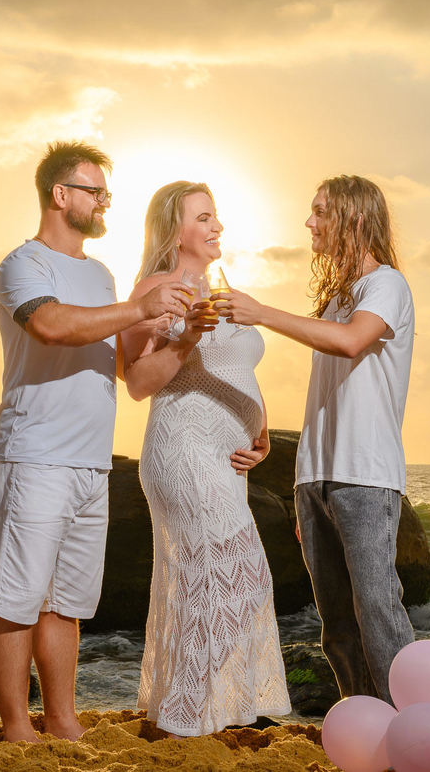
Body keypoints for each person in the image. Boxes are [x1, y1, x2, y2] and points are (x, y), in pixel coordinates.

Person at [0, 142, 192, 742]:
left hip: (90, 462)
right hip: (34, 453)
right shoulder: (22, 264)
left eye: (106, 192)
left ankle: (64, 720)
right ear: (60, 194)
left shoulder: (101, 276)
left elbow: (125, 371)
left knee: (67, 603)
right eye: (95, 190)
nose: (105, 202)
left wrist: (160, 330)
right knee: (19, 598)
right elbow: (51, 325)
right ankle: (16, 730)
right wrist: (136, 308)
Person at [217, 175, 416, 704]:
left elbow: (352, 343)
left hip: (365, 479)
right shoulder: (336, 301)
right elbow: (325, 395)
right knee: (338, 629)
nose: (309, 222)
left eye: (319, 211)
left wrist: (260, 312)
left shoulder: (387, 285)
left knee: (378, 612)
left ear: (353, 217)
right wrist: (304, 483)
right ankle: (367, 729)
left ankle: (412, 728)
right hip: (318, 481)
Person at [120, 180, 291, 736]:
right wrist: (187, 336)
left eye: (216, 216)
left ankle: (205, 713)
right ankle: (184, 722)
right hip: (181, 450)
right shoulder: (155, 288)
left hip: (226, 458)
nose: (217, 226)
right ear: (175, 230)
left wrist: (259, 424)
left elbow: (240, 365)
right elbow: (139, 382)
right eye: (204, 217)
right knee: (233, 575)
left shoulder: (222, 285)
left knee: (211, 580)